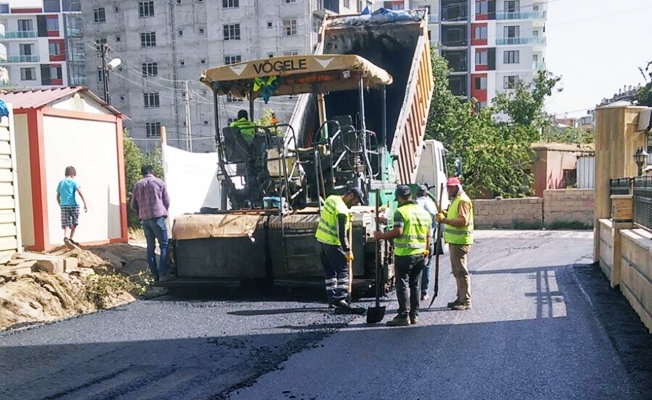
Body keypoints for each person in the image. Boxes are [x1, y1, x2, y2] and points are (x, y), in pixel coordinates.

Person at [374, 185, 432, 326]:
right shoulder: (423, 212)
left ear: (399, 198)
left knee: (403, 284)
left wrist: (382, 236)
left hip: (405, 255)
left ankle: (403, 315)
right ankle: (414, 315)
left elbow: (399, 231)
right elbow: (428, 234)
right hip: (420, 254)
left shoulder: (400, 212)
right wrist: (426, 250)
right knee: (415, 285)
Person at [315, 187, 366, 309]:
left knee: (330, 273)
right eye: (356, 201)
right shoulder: (342, 211)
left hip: (321, 240)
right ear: (351, 196)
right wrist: (347, 250)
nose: (355, 205)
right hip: (332, 243)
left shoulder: (330, 199)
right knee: (344, 270)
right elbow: (341, 234)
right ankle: (341, 298)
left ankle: (332, 299)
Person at [437, 177, 474, 310]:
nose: (449, 189)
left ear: (458, 187)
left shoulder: (462, 200)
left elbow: (462, 221)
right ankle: (460, 298)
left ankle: (465, 300)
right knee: (457, 271)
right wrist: (445, 214)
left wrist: (445, 220)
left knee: (461, 271)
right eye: (448, 187)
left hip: (460, 241)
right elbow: (457, 215)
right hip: (455, 241)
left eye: (452, 187)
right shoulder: (456, 200)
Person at [131, 165, 171, 282]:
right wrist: (164, 211)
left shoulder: (137, 185)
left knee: (150, 246)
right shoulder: (159, 182)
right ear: (152, 171)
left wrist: (141, 212)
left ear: (142, 173)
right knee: (164, 245)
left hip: (144, 219)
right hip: (158, 217)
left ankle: (154, 275)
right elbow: (167, 201)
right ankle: (163, 273)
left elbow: (133, 204)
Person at [415, 184, 438, 301]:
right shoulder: (431, 204)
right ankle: (424, 292)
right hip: (429, 240)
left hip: (415, 241)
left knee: (413, 268)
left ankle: (413, 291)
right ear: (426, 193)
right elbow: (435, 223)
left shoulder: (414, 205)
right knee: (426, 266)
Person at [56, 166, 88, 247]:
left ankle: (66, 237)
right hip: (74, 205)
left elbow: (57, 196)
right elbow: (80, 192)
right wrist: (85, 203)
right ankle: (70, 238)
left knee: (66, 223)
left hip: (64, 206)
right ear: (73, 174)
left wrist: (61, 205)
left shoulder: (61, 183)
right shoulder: (74, 182)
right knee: (75, 222)